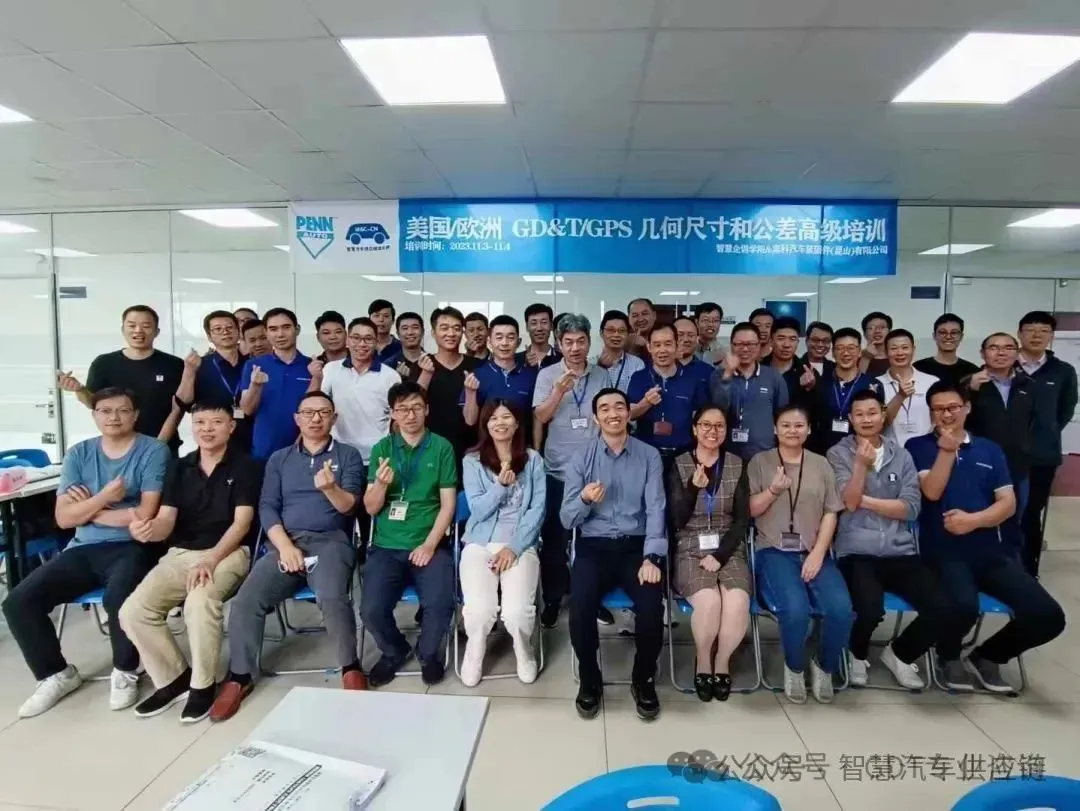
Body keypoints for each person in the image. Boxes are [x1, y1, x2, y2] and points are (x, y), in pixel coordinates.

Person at [3, 387, 169, 718]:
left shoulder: (153, 450)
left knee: (119, 596)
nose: (114, 417)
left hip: (134, 546)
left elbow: (145, 513)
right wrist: (105, 498)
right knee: (18, 601)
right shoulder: (79, 454)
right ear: (94, 415)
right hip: (83, 548)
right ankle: (56, 674)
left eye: (122, 410)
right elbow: (64, 519)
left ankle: (126, 669)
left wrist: (88, 509)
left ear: (135, 415)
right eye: (105, 411)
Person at [210, 392, 367, 722]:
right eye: (308, 412)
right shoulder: (279, 459)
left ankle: (350, 667)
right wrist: (284, 546)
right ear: (297, 418)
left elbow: (349, 508)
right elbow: (268, 507)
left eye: (323, 412)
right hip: (285, 542)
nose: (315, 419)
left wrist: (329, 488)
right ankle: (240, 675)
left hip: (331, 542)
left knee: (333, 596)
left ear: (334, 418)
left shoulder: (348, 455)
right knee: (246, 600)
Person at [906, 381, 1066, 692]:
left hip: (992, 551)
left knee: (1048, 616)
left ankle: (989, 655)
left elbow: (1008, 504)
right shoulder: (918, 446)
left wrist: (974, 521)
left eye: (953, 407)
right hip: (943, 551)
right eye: (938, 409)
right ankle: (948, 655)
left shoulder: (989, 449)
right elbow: (932, 491)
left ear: (966, 408)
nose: (946, 414)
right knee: (963, 606)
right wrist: (947, 451)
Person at [118, 401, 259, 723]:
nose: (207, 429)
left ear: (231, 427)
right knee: (134, 611)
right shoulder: (179, 467)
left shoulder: (246, 466)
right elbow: (166, 519)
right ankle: (173, 678)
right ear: (192, 427)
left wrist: (211, 559)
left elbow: (242, 524)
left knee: (200, 600)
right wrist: (148, 530)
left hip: (228, 552)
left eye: (216, 422)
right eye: (200, 422)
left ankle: (203, 685)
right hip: (181, 554)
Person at [828, 389, 956, 690]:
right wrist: (860, 466)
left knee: (944, 607)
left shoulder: (902, 455)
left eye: (872, 413)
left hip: (900, 551)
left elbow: (911, 509)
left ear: (883, 415)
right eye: (859, 414)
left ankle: (900, 653)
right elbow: (848, 501)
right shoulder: (837, 454)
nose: (866, 419)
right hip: (857, 550)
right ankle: (857, 653)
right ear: (850, 419)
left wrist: (865, 501)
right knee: (869, 609)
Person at [560, 388, 666, 721]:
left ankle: (643, 678)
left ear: (628, 413)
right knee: (580, 608)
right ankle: (590, 679)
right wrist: (584, 500)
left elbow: (657, 509)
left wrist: (653, 557)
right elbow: (566, 519)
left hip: (636, 548)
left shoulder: (649, 455)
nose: (613, 414)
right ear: (596, 418)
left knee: (652, 608)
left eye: (619, 407)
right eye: (604, 409)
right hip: (594, 546)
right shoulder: (581, 457)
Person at [748, 405, 851, 704]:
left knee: (841, 610)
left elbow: (831, 512)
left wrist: (818, 553)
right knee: (795, 609)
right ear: (775, 429)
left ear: (808, 430)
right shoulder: (760, 462)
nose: (792, 431)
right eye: (785, 425)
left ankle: (825, 666)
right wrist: (773, 490)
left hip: (813, 550)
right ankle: (794, 667)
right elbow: (750, 510)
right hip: (773, 551)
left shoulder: (821, 464)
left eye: (798, 425)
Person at [361, 382, 458, 687]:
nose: (410, 414)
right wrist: (380, 484)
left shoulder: (441, 447)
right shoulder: (382, 449)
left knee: (440, 603)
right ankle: (394, 651)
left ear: (427, 410)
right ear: (392, 414)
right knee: (370, 610)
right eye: (402, 409)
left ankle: (428, 654)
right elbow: (371, 507)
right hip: (386, 545)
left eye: (416, 407)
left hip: (429, 543)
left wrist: (429, 545)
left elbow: (448, 505)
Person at [666, 406, 750, 702]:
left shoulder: (737, 464)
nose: (712, 431)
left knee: (737, 601)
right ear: (694, 428)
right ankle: (703, 660)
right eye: (706, 425)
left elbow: (742, 520)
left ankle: (722, 662)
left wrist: (721, 555)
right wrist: (692, 488)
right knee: (710, 601)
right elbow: (676, 520)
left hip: (729, 546)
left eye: (719, 426)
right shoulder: (678, 463)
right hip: (690, 544)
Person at [459, 400, 545, 686]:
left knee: (516, 612)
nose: (500, 423)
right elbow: (477, 510)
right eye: (493, 418)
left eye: (506, 417)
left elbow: (537, 511)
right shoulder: (472, 461)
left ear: (517, 423)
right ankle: (474, 652)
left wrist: (514, 547)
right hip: (480, 543)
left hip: (520, 543)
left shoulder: (533, 460)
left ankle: (524, 651)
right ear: (486, 424)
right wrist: (500, 487)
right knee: (479, 610)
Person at [532, 314, 610, 628]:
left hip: (593, 471)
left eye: (581, 341)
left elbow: (609, 415)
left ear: (589, 342)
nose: (575, 348)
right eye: (568, 342)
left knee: (595, 538)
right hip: (557, 472)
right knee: (554, 540)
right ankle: (553, 598)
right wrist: (558, 392)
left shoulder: (601, 375)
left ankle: (592, 598)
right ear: (559, 344)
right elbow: (541, 416)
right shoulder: (547, 374)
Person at [56, 305, 185, 453]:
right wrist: (79, 390)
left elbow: (180, 408)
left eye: (146, 326)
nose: (138, 330)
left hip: (164, 445)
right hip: (117, 447)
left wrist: (159, 444)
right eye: (132, 325)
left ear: (157, 332)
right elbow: (93, 403)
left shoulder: (174, 365)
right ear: (123, 329)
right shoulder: (104, 363)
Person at [1016, 310, 1078, 577]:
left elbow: (1066, 410)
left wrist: (1047, 432)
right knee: (1003, 509)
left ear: (1051, 336)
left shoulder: (1063, 371)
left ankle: (1028, 568)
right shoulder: (1005, 365)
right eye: (1030, 329)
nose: (1036, 335)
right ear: (1020, 333)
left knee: (1032, 510)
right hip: (1006, 453)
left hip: (1043, 455)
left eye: (1043, 331)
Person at [965, 333, 1036, 551]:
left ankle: (1010, 565)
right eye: (994, 347)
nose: (1001, 353)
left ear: (1017, 353)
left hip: (1018, 464)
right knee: (978, 520)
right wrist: (969, 390)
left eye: (1008, 348)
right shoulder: (969, 383)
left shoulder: (1028, 385)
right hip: (978, 464)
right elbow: (953, 418)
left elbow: (1038, 422)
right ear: (983, 353)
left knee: (1013, 522)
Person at [314, 316, 400, 469]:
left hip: (377, 457)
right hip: (338, 456)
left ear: (376, 342)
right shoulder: (330, 369)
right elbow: (318, 406)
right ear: (347, 340)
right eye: (356, 338)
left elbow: (398, 418)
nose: (362, 344)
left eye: (368, 339)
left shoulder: (391, 376)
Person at [238, 308, 313, 460]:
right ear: (266, 333)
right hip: (264, 452)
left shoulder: (311, 366)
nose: (280, 334)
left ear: (297, 329)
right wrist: (255, 385)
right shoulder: (254, 365)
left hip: (305, 451)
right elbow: (246, 410)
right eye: (273, 329)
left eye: (286, 327)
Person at [174, 310, 251, 453]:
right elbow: (184, 402)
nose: (225, 332)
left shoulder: (252, 364)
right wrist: (189, 372)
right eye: (218, 329)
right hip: (213, 438)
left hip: (251, 435)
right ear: (209, 336)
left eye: (229, 328)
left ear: (239, 332)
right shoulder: (199, 364)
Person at [710, 322, 789, 460]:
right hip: (727, 453)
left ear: (759, 346)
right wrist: (728, 373)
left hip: (764, 453)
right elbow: (718, 410)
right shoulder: (718, 375)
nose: (745, 349)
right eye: (739, 344)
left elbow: (783, 415)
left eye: (751, 344)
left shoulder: (773, 376)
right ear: (731, 346)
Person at [628, 324, 708, 460]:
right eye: (657, 345)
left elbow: (700, 419)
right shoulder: (638, 377)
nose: (662, 350)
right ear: (649, 347)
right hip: (647, 454)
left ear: (677, 345)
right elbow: (629, 415)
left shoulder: (693, 379)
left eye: (668, 344)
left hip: (683, 454)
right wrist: (646, 403)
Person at [412, 306, 481, 463]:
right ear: (433, 333)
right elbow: (414, 404)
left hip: (469, 449)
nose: (451, 333)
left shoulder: (476, 366)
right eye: (444, 328)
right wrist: (426, 374)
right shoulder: (422, 365)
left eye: (457, 328)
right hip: (430, 447)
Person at [807, 327, 882, 455]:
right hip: (822, 453)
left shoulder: (872, 384)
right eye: (840, 348)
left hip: (860, 453)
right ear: (833, 352)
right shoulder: (820, 382)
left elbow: (879, 421)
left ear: (859, 351)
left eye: (851, 348)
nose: (846, 353)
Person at [465, 315, 538, 438]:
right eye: (499, 338)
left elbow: (537, 418)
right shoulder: (477, 375)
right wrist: (470, 393)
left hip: (522, 446)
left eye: (510, 338)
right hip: (487, 446)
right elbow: (470, 420)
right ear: (490, 342)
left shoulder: (531, 376)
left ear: (518, 342)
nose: (504, 343)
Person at [879, 329, 939, 444]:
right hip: (891, 450)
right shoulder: (876, 384)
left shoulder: (932, 382)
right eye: (894, 348)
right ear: (886, 352)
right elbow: (879, 423)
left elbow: (939, 420)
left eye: (905, 347)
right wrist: (900, 396)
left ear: (913, 349)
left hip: (925, 449)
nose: (900, 352)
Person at [764, 316, 818, 409]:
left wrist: (810, 388)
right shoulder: (758, 368)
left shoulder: (808, 373)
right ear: (771, 341)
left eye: (792, 339)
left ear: (798, 342)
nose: (787, 345)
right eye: (781, 338)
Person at [914, 314, 979, 387]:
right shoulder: (918, 368)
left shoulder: (972, 371)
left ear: (961, 337)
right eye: (942, 332)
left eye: (954, 333)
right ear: (934, 336)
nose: (948, 337)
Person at [594, 309, 645, 394]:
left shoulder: (637, 364)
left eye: (621, 331)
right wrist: (599, 368)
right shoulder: (591, 363)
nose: (616, 334)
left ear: (628, 334)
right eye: (611, 330)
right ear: (601, 333)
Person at [673, 316, 716, 390]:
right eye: (680, 335)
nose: (686, 339)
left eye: (690, 335)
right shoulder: (658, 369)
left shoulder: (709, 372)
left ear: (697, 338)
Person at [518, 303, 561, 369]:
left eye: (544, 322)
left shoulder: (562, 359)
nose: (539, 328)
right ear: (527, 327)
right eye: (534, 323)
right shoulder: (516, 360)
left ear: (551, 326)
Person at [385, 311, 425, 378]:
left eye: (415, 327)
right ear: (398, 334)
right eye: (405, 328)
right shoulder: (388, 366)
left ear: (422, 332)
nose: (410, 332)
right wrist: (396, 378)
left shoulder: (433, 363)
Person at [860, 311, 892, 377]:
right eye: (871, 328)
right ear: (864, 334)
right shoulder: (855, 358)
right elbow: (855, 382)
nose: (877, 331)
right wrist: (865, 358)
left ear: (890, 331)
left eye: (882, 327)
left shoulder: (898, 355)